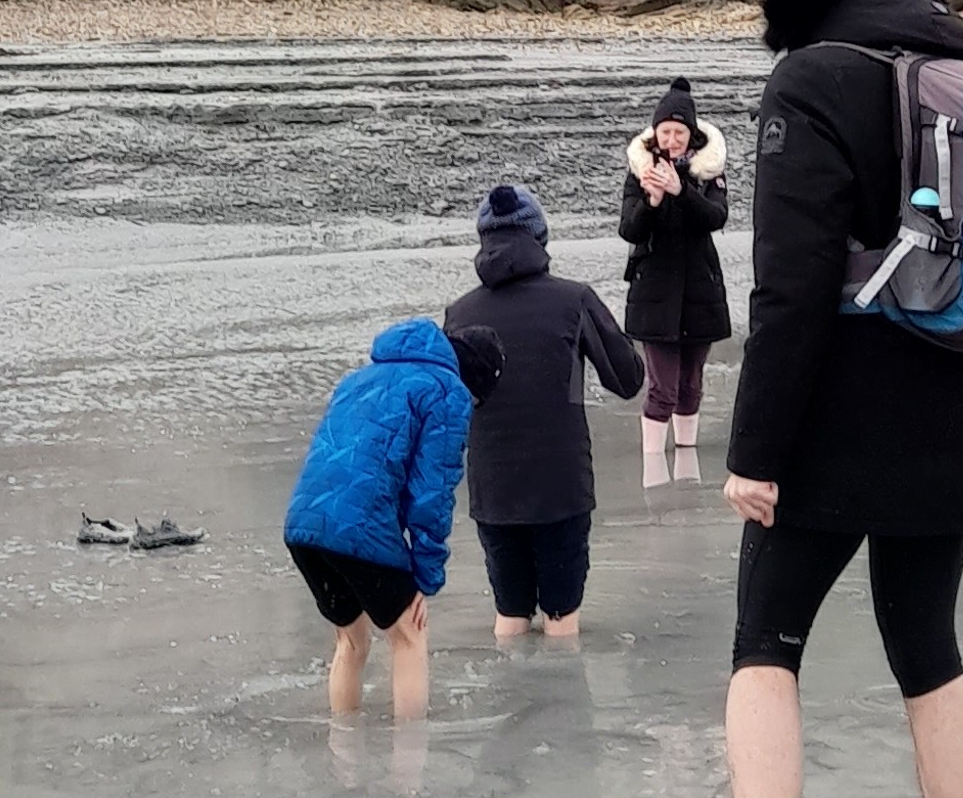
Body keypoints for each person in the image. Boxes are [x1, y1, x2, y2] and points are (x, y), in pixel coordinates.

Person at [687, 0, 963, 798]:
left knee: (763, 648)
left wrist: (754, 449)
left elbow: (791, 284)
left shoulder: (813, 78)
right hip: (951, 404)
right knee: (931, 654)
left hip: (827, 419)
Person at [449, 186, 644, 638]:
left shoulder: (459, 313)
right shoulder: (574, 300)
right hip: (562, 484)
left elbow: (453, 405)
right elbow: (627, 379)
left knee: (511, 618)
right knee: (562, 620)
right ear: (540, 238)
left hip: (493, 487)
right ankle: (565, 704)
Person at [286, 318, 505, 713]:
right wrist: (425, 575)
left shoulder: (361, 377)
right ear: (473, 380)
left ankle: (345, 753)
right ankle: (409, 766)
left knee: (351, 642)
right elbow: (430, 494)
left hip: (303, 523)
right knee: (409, 634)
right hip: (358, 526)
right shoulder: (447, 391)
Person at [618, 79, 732, 482]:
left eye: (679, 132)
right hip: (655, 292)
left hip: (700, 289)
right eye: (665, 132)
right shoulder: (639, 172)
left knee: (691, 385)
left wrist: (681, 191)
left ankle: (687, 468)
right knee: (662, 387)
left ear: (691, 135)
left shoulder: (709, 173)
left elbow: (716, 218)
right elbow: (629, 230)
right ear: (654, 135)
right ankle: (653, 470)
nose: (671, 140)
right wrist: (653, 201)